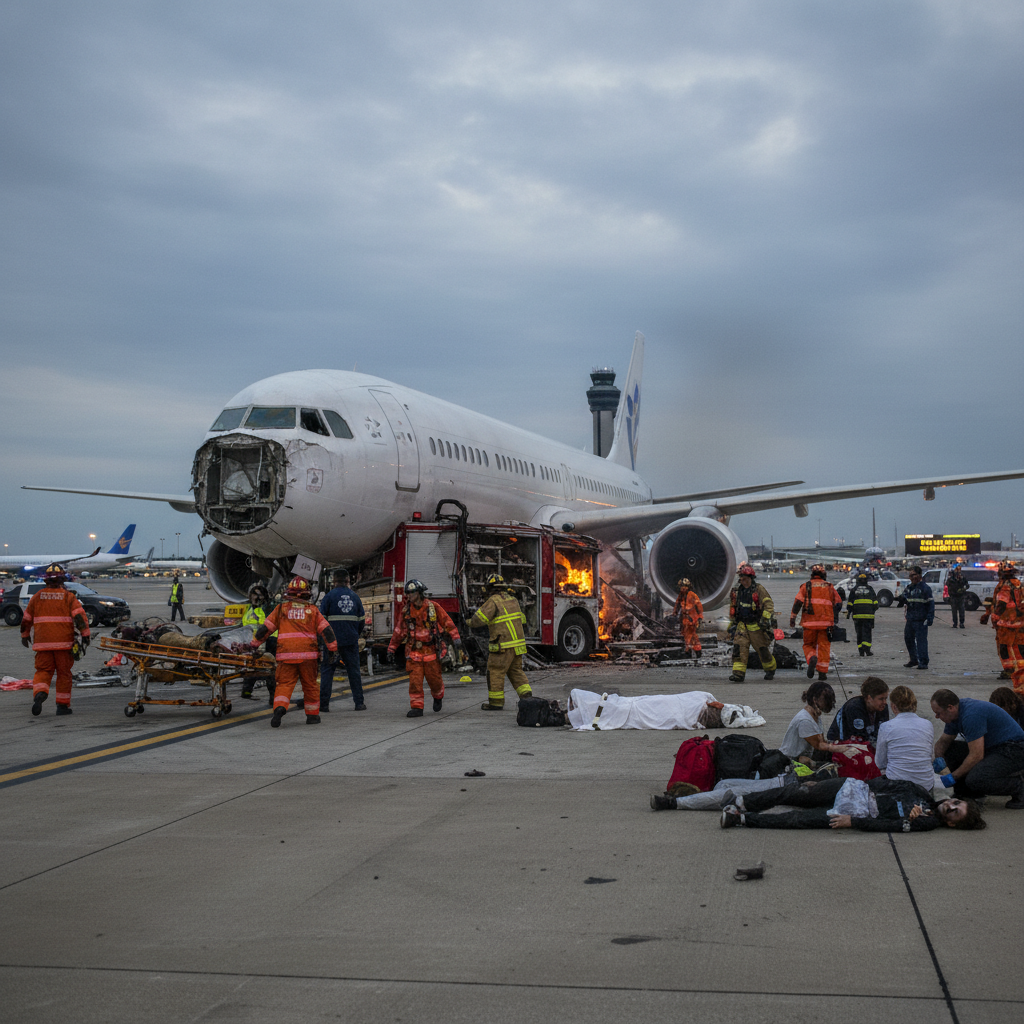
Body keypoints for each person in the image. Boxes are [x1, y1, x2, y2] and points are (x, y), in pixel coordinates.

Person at [719, 776, 984, 831]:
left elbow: (888, 825)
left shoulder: (926, 823)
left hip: (855, 812)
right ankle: (742, 802)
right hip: (853, 788)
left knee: (798, 820)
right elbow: (883, 781)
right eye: (956, 803)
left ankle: (739, 819)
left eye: (956, 813)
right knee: (795, 793)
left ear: (952, 823)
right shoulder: (920, 793)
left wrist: (852, 820)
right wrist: (853, 784)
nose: (951, 806)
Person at [251, 576, 337, 727]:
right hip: (308, 657)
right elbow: (327, 631)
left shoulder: (281, 610)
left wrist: (254, 644)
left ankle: (279, 708)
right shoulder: (313, 611)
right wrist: (333, 649)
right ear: (306, 593)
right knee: (310, 685)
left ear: (288, 593)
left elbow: (265, 629)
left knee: (284, 684)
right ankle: (312, 717)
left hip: (286, 655)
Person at [930, 688, 1024, 808]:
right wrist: (939, 761)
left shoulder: (971, 715)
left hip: (1014, 749)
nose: (937, 717)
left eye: (938, 713)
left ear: (950, 708)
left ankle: (1019, 787)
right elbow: (943, 742)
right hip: (993, 747)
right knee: (951, 750)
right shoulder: (954, 714)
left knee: (976, 780)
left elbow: (976, 755)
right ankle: (967, 792)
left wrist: (953, 777)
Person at [21, 563, 90, 717]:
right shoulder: (68, 597)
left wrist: (25, 636)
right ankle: (62, 706)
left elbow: (26, 619)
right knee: (64, 674)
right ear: (62, 580)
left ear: (46, 581)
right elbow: (79, 618)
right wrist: (85, 635)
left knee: (43, 671)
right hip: (63, 645)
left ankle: (40, 693)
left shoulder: (37, 597)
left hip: (42, 644)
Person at [387, 579, 463, 718]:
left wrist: (456, 637)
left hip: (431, 651)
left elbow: (447, 622)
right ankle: (417, 707)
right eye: (407, 593)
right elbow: (400, 631)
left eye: (411, 593)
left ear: (419, 593)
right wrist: (391, 648)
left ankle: (438, 696)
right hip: (414, 652)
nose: (408, 596)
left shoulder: (433, 607)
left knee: (435, 680)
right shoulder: (406, 611)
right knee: (415, 681)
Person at [470, 573, 532, 711]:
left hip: (502, 645)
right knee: (515, 670)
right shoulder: (513, 600)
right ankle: (527, 696)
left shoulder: (493, 601)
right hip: (518, 645)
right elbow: (522, 620)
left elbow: (479, 619)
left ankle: (496, 702)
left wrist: (469, 622)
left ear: (489, 588)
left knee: (495, 672)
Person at [319, 569, 367, 712]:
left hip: (331, 642)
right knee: (354, 672)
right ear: (348, 581)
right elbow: (362, 621)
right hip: (350, 641)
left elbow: (321, 621)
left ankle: (324, 705)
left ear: (334, 581)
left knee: (327, 671)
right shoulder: (355, 597)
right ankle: (359, 703)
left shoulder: (328, 597)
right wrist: (354, 634)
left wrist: (325, 639)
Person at [780, 681, 858, 766]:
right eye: (826, 700)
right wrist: (844, 748)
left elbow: (822, 741)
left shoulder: (815, 716)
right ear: (815, 700)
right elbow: (820, 745)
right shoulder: (805, 720)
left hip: (806, 756)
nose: (830, 703)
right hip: (791, 761)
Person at [874, 685, 935, 791]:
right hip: (926, 784)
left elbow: (880, 763)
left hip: (897, 785)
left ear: (893, 706)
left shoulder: (886, 727)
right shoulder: (928, 724)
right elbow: (929, 756)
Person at [790, 564, 842, 681]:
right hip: (826, 624)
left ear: (812, 575)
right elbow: (838, 603)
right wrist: (834, 619)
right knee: (824, 647)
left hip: (809, 624)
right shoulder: (829, 587)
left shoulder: (806, 586)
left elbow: (798, 602)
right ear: (824, 575)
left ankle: (812, 657)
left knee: (808, 645)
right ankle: (822, 672)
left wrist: (793, 618)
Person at [726, 564, 777, 683]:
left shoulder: (759, 590)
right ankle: (738, 674)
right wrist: (732, 622)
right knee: (739, 649)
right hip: (742, 625)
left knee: (762, 650)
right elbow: (733, 606)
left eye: (745, 579)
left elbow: (768, 604)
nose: (743, 581)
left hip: (756, 626)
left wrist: (765, 618)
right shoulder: (737, 591)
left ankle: (770, 669)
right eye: (741, 579)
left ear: (751, 578)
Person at [979, 561, 1024, 692]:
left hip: (1006, 623)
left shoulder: (1005, 586)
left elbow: (1001, 604)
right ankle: (1019, 670)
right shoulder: (1019, 585)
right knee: (1019, 648)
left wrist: (992, 616)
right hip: (1020, 623)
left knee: (1004, 648)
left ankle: (1009, 670)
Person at [827, 676, 890, 747]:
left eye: (886, 698)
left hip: (866, 742)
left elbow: (883, 732)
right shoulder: (854, 708)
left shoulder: (882, 707)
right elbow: (858, 738)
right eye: (881, 699)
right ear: (869, 698)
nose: (885, 702)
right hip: (840, 743)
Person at [240, 583, 275, 701]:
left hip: (269, 641)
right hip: (254, 642)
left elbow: (266, 626)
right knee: (252, 666)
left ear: (264, 597)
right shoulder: (249, 610)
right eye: (254, 595)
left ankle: (273, 696)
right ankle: (246, 690)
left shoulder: (267, 609)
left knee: (269, 669)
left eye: (259, 595)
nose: (256, 598)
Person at [895, 566, 934, 670]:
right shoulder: (909, 588)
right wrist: (900, 599)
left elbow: (931, 604)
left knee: (921, 641)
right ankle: (914, 659)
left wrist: (930, 617)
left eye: (913, 575)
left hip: (921, 619)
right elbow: (904, 597)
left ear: (919, 576)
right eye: (910, 575)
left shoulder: (925, 589)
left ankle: (923, 662)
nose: (911, 577)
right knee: (908, 638)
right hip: (911, 619)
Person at [845, 571, 879, 657]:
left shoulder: (854, 590)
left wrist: (849, 613)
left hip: (857, 616)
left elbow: (850, 603)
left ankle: (861, 651)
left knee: (859, 633)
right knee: (867, 632)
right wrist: (872, 611)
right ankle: (867, 650)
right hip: (868, 616)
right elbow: (876, 603)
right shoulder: (870, 589)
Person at [673, 578, 704, 658]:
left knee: (690, 635)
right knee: (687, 635)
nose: (683, 588)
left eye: (685, 586)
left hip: (692, 618)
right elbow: (677, 605)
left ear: (688, 587)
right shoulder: (681, 595)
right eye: (682, 586)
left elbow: (698, 605)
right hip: (684, 618)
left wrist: (700, 616)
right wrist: (675, 613)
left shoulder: (692, 595)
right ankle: (694, 650)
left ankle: (690, 651)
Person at [946, 564, 969, 629]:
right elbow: (947, 587)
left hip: (961, 596)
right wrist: (949, 595)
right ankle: (955, 623)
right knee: (954, 611)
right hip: (953, 596)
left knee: (961, 610)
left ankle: (961, 623)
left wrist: (963, 589)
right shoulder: (950, 579)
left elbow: (967, 585)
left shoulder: (962, 578)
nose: (958, 572)